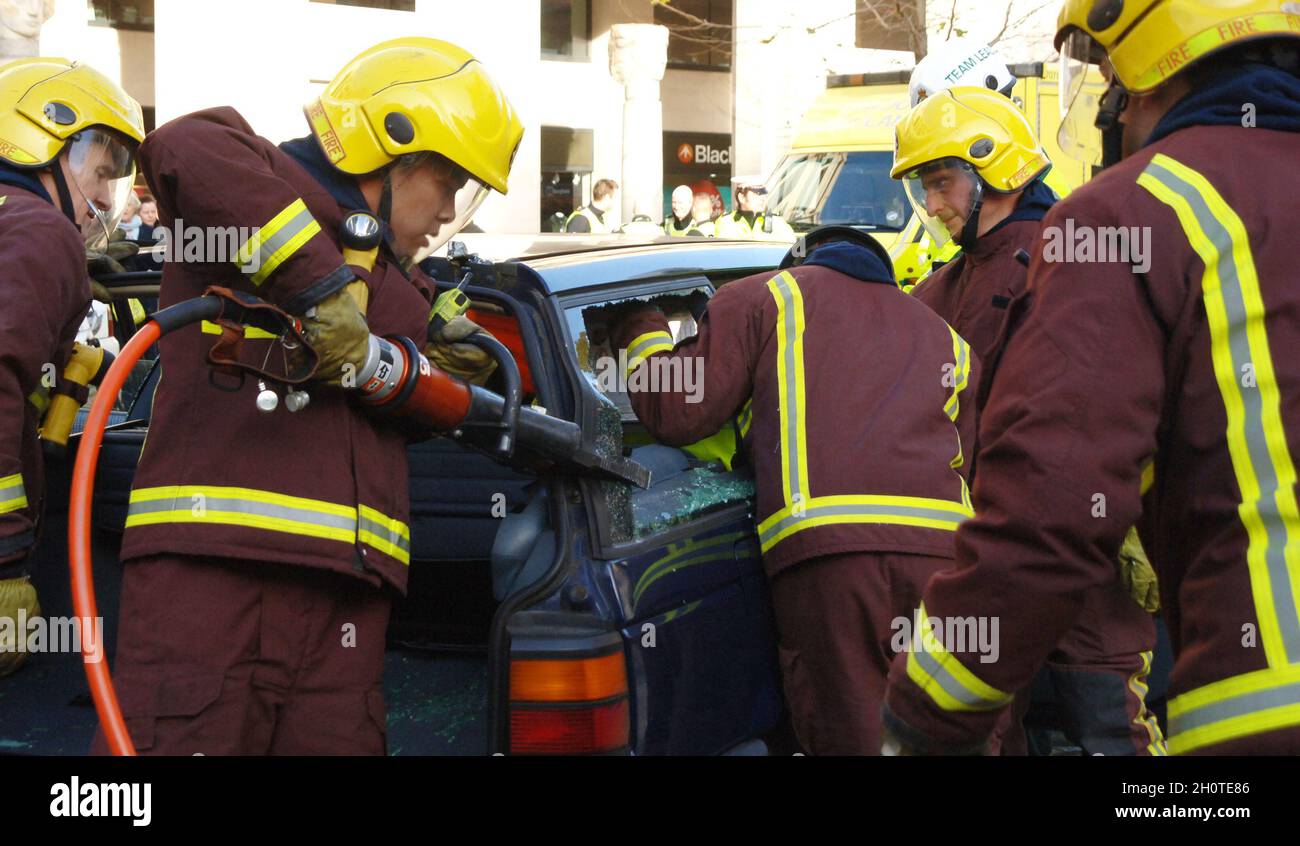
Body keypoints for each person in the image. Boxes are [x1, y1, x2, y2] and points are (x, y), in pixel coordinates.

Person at [883, 0, 1300, 756]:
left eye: (1108, 74)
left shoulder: (1125, 218)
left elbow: (1050, 498)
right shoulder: (946, 285)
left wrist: (923, 715)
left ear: (1146, 76)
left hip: (1265, 705)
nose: (1106, 103)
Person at [92, 37, 523, 755]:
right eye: (447, 182)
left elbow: (374, 412)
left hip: (346, 603)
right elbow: (181, 144)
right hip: (216, 577)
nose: (450, 212)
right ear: (390, 148)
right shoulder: (264, 181)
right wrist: (321, 292)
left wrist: (435, 370)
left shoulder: (398, 286)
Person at [607, 225, 979, 754]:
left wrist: (637, 326)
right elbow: (981, 464)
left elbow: (676, 407)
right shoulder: (946, 337)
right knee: (947, 729)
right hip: (946, 561)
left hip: (831, 559)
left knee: (850, 726)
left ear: (798, 263)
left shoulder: (767, 297)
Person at [893, 86, 1164, 756]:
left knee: (1110, 734)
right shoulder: (951, 281)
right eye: (925, 188)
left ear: (999, 167)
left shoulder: (1064, 258)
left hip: (1077, 569)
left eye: (943, 182)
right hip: (1004, 570)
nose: (933, 206)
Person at [0, 58, 144, 676]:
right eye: (103, 172)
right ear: (47, 141)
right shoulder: (38, 230)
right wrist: (4, 557)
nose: (107, 198)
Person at [714, 176, 794, 240]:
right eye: (758, 193)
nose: (763, 198)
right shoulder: (726, 223)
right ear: (742, 198)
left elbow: (796, 252)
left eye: (764, 193)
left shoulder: (777, 223)